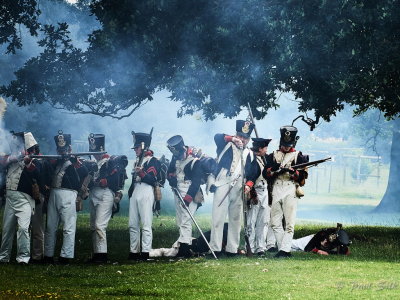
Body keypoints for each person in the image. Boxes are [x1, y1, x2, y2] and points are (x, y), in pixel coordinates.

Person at [208, 120, 257, 257]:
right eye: (240, 136)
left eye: (245, 138)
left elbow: (254, 173)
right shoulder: (225, 143)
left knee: (235, 218)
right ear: (236, 135)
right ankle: (215, 248)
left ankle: (232, 249)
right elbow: (217, 136)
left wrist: (248, 185)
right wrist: (232, 139)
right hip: (223, 181)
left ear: (248, 139)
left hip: (239, 185)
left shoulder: (250, 154)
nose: (242, 140)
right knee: (218, 216)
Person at [166, 135, 215, 257]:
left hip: (190, 192)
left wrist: (188, 198)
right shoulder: (175, 156)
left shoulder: (195, 161)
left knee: (186, 220)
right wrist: (171, 178)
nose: (178, 157)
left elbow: (196, 181)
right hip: (177, 190)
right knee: (180, 220)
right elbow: (170, 170)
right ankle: (185, 246)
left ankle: (184, 249)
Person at [44, 131, 88, 264]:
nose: (62, 151)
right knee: (50, 226)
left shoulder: (76, 162)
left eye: (64, 149)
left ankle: (66, 256)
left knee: (68, 227)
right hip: (54, 193)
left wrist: (74, 161)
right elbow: (47, 170)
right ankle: (48, 255)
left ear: (69, 148)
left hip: (69, 194)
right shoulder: (55, 161)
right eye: (60, 149)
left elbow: (85, 173)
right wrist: (57, 159)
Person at [265, 125, 309, 258]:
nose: (286, 147)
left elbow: (302, 177)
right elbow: (266, 173)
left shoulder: (299, 156)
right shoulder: (273, 155)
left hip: (290, 187)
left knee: (289, 222)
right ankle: (282, 249)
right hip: (276, 187)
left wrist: (293, 172)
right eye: (284, 144)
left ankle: (285, 250)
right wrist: (274, 169)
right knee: (275, 222)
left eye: (288, 144)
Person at [0, 132, 42, 264]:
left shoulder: (35, 160)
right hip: (10, 198)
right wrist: (12, 158)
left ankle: (23, 258)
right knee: (7, 230)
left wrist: (28, 163)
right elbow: (2, 162)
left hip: (24, 199)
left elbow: (38, 174)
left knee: (23, 228)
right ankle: (3, 257)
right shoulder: (11, 158)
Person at [87, 133, 127, 263]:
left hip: (105, 194)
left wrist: (106, 181)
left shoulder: (111, 162)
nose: (94, 154)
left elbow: (115, 180)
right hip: (94, 194)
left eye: (95, 151)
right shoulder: (94, 163)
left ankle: (102, 256)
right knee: (93, 226)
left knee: (100, 225)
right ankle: (96, 255)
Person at [128, 132, 161, 261]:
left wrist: (141, 173)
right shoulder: (137, 160)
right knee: (132, 223)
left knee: (146, 224)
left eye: (137, 148)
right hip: (136, 190)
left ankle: (146, 252)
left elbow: (152, 179)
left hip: (147, 190)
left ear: (143, 147)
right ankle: (133, 252)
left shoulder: (153, 161)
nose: (135, 150)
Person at [246, 138, 271, 256]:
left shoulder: (263, 159)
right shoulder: (251, 159)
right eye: (265, 148)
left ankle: (260, 247)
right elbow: (249, 177)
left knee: (263, 221)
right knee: (251, 222)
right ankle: (249, 247)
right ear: (260, 149)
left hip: (264, 191)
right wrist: (252, 194)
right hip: (254, 192)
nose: (266, 150)